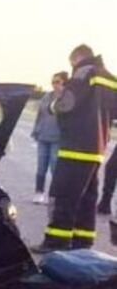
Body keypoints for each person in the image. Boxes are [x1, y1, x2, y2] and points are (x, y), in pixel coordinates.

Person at [39, 45, 117, 251]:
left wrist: (52, 104)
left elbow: (67, 103)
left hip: (75, 146)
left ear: (76, 59)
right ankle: (83, 242)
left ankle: (56, 242)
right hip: (96, 149)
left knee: (63, 196)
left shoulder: (84, 72)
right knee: (87, 199)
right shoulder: (110, 78)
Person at [31, 72, 65, 205]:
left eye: (58, 82)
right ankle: (39, 192)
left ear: (64, 83)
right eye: (53, 82)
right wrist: (36, 130)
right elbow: (40, 114)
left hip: (57, 138)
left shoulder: (67, 98)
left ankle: (54, 195)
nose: (55, 84)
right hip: (43, 136)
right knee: (41, 166)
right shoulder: (46, 96)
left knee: (54, 167)